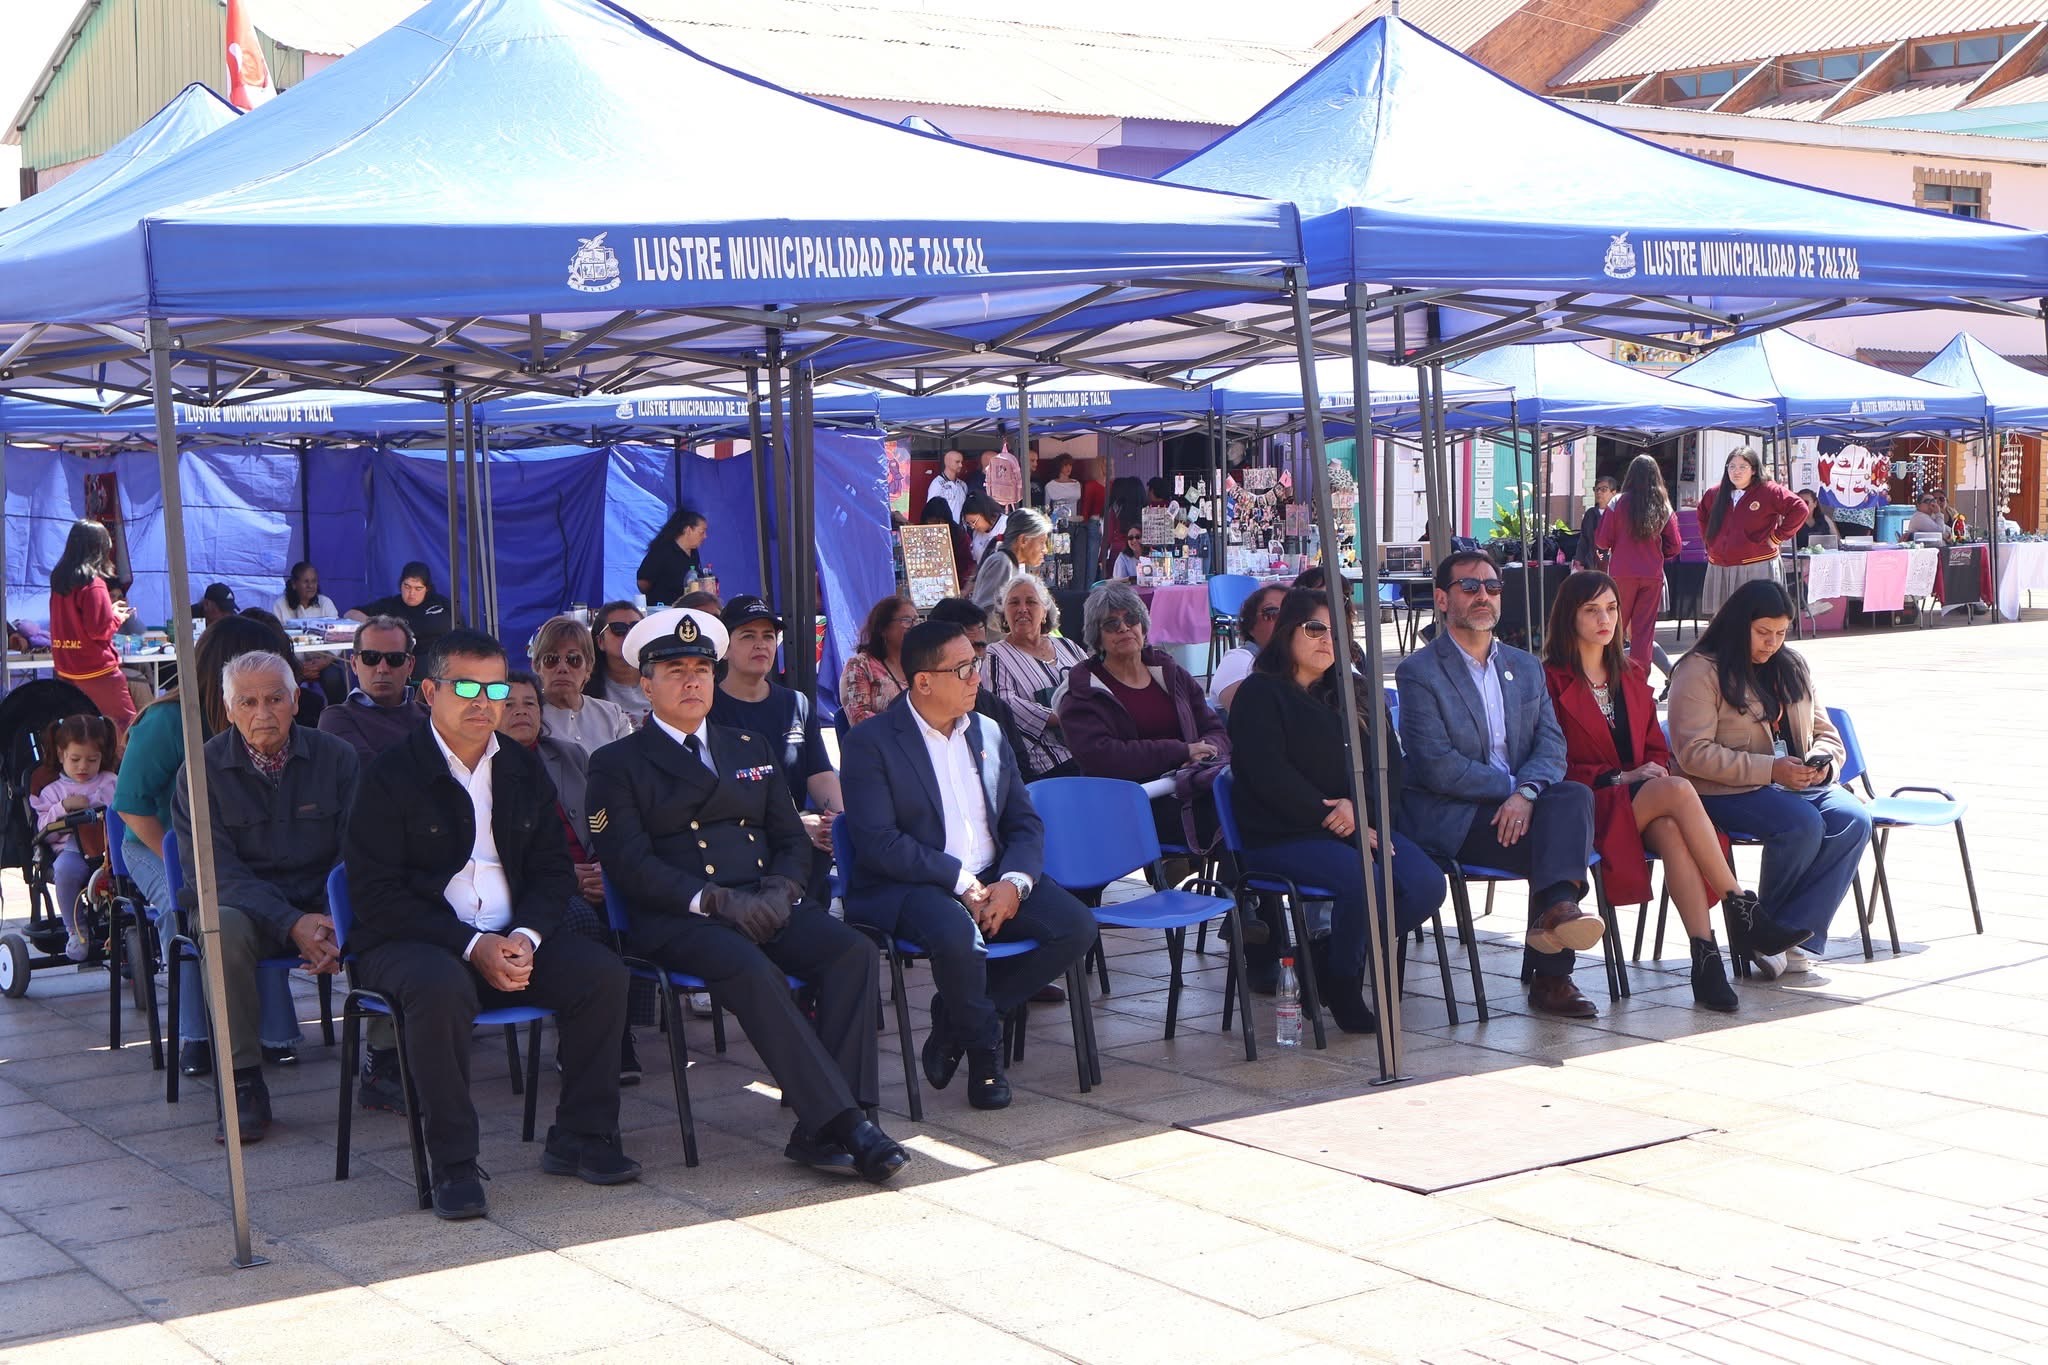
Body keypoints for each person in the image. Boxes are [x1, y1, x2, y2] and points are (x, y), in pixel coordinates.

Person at [587, 608, 908, 1182]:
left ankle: (822, 1128)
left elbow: (789, 838)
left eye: (700, 670)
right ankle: (848, 1124)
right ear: (646, 684)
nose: (692, 682)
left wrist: (783, 890)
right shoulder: (617, 763)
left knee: (853, 953)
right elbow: (630, 866)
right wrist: (716, 901)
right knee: (751, 967)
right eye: (675, 671)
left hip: (764, 900)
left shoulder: (748, 745)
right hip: (682, 916)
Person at [342, 628, 639, 1220]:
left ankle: (581, 1135)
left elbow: (553, 872)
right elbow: (376, 896)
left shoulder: (521, 769)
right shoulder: (388, 774)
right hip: (415, 941)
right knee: (439, 988)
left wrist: (525, 938)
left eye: (496, 688)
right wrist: (472, 944)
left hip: (511, 934)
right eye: (466, 687)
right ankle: (453, 1162)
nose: (484, 701)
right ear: (430, 692)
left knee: (603, 975)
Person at [841, 620, 1095, 1112]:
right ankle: (984, 1057)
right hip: (914, 883)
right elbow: (879, 843)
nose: (977, 676)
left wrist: (1014, 883)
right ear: (923, 681)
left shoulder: (988, 730)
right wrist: (961, 882)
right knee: (959, 937)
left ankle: (957, 1019)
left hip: (994, 873)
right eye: (963, 669)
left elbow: (1024, 822)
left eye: (975, 664)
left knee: (1076, 927)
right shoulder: (871, 742)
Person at [1542, 573, 1809, 1011]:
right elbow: (1551, 761)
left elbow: (1655, 747)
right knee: (1679, 791)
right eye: (1591, 610)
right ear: (1568, 617)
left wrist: (1644, 773)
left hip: (1644, 802)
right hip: (1587, 805)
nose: (1605, 619)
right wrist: (1621, 777)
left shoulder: (1631, 674)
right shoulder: (1549, 681)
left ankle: (1706, 959)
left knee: (1671, 829)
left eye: (1611, 608)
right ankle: (1743, 910)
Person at [1227, 589, 1447, 1033]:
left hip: (1358, 824)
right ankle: (1345, 984)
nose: (1328, 639)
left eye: (1338, 631)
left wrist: (1360, 811)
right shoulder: (1259, 694)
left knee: (1424, 884)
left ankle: (1323, 962)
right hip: (1284, 832)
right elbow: (1269, 774)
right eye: (1315, 629)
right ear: (1287, 631)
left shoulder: (1357, 692)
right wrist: (1338, 819)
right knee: (1363, 878)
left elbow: (1390, 768)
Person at [1395, 551, 1603, 1019]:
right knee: (1560, 845)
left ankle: (1558, 913)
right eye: (1470, 587)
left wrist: (1526, 794)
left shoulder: (1525, 666)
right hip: (1456, 815)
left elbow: (1552, 745)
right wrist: (1513, 789)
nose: (1483, 596)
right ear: (1442, 599)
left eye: (1492, 587)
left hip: (1521, 807)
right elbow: (1436, 766)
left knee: (1573, 795)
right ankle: (1553, 975)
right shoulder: (1419, 672)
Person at [172, 651, 357, 1141]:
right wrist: (293, 922)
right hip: (248, 910)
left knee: (382, 905)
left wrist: (328, 917)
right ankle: (242, 1081)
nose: (263, 713)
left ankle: (385, 1059)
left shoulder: (338, 757)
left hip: (321, 905)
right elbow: (215, 873)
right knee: (222, 927)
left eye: (275, 699)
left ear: (296, 701)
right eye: (248, 702)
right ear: (228, 710)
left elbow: (357, 849)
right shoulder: (201, 770)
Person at [114, 616, 307, 1074]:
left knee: (261, 902)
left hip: (232, 847)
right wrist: (185, 867)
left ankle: (274, 1033)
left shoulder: (269, 717)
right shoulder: (168, 721)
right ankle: (196, 1037)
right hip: (157, 844)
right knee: (183, 910)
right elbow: (131, 806)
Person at [1667, 580, 1873, 980]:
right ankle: (1766, 931)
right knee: (1801, 823)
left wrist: (1823, 763)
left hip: (1797, 783)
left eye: (1780, 633)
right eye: (1763, 633)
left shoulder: (1792, 665)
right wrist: (1770, 769)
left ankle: (1788, 935)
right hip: (1725, 790)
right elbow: (1693, 752)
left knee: (1854, 819)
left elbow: (1826, 732)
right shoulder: (1699, 670)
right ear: (1738, 624)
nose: (1772, 644)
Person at [500, 671, 645, 1084]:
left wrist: (604, 869)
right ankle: (594, 1041)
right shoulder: (487, 768)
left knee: (636, 902)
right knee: (581, 920)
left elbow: (603, 823)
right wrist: (569, 878)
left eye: (529, 703)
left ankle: (617, 1027)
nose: (521, 712)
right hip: (536, 887)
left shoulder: (569, 755)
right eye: (509, 704)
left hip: (593, 873)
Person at [1057, 581, 1230, 860]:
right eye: (1111, 624)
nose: (1124, 628)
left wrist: (1206, 753)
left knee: (1248, 802)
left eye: (1132, 619)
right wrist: (1181, 751)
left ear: (1144, 626)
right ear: (1097, 637)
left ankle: (1247, 884)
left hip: (1193, 784)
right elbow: (1102, 757)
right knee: (1236, 816)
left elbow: (1214, 728)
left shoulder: (1171, 673)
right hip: (1129, 803)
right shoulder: (1082, 692)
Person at [710, 596, 841, 897]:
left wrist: (839, 820)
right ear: (725, 649)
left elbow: (820, 773)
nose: (761, 645)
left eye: (768, 636)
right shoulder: (708, 709)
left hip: (801, 838)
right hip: (740, 837)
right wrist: (793, 824)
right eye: (748, 636)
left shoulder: (796, 703)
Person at [29, 714, 120, 962]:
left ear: (102, 757)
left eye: (92, 760)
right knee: (65, 872)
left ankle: (130, 921)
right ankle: (76, 930)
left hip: (110, 848)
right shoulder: (53, 791)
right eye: (75, 759)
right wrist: (63, 807)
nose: (83, 767)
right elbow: (43, 831)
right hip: (72, 850)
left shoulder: (111, 782)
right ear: (61, 755)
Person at [981, 577, 1088, 782]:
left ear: (1045, 612)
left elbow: (1096, 684)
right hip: (1050, 761)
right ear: (1004, 615)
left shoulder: (1068, 646)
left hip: (1090, 745)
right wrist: (1063, 717)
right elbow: (1004, 704)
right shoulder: (994, 655)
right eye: (1014, 603)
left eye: (1031, 602)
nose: (1022, 609)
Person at [46, 519, 139, 732]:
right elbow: (99, 630)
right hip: (97, 671)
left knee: (80, 731)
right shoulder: (94, 584)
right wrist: (117, 617)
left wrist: (109, 612)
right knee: (125, 726)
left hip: (66, 668)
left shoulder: (59, 582)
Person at [1595, 454, 1684, 675]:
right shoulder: (1663, 506)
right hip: (1652, 574)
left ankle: (1610, 673)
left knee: (1615, 627)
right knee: (1644, 633)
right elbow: (1675, 546)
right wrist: (1656, 554)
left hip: (1622, 573)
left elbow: (1602, 541)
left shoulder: (1617, 502)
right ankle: (1639, 679)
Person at [1698, 449, 1807, 617]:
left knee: (1756, 616)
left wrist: (1777, 537)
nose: (1736, 471)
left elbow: (1800, 509)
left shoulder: (1769, 491)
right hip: (1720, 566)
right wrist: (1710, 543)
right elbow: (1702, 516)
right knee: (1724, 618)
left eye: (1742, 467)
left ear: (1754, 469)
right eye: (1732, 466)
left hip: (1756, 564)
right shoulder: (1714, 493)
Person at [318, 617, 426, 766]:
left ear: (410, 666)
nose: (382, 669)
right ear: (354, 664)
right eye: (371, 658)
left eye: (395, 658)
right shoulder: (336, 718)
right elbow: (369, 774)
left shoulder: (430, 715)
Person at [532, 615, 635, 754]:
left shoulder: (612, 715)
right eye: (551, 659)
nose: (562, 668)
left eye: (573, 659)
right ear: (537, 666)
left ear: (588, 667)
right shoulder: (530, 717)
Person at [1209, 583, 1290, 711]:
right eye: (1272, 613)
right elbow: (1254, 714)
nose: (1283, 620)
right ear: (1251, 625)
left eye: (1290, 613)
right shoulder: (1239, 660)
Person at [838, 594, 915, 728]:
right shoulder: (859, 665)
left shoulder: (920, 663)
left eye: (916, 620)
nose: (913, 626)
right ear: (883, 628)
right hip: (881, 739)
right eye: (906, 620)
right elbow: (859, 718)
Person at [347, 561, 454, 645]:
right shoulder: (390, 605)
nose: (411, 593)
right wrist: (375, 624)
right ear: (400, 584)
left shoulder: (440, 603)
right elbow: (351, 613)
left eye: (418, 588)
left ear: (427, 589)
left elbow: (458, 627)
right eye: (407, 586)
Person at [970, 508, 1052, 614]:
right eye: (1042, 542)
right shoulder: (1002, 563)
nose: (1045, 550)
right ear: (1023, 540)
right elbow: (988, 611)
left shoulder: (1007, 562)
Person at [587, 602, 651, 721]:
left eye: (636, 628)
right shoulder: (585, 688)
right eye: (618, 629)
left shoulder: (662, 680)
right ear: (600, 641)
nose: (629, 634)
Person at [635, 507, 711, 605]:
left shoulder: (693, 552)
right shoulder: (662, 551)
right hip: (664, 608)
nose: (705, 536)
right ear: (688, 530)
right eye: (702, 532)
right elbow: (643, 582)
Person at [919, 495, 975, 587]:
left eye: (941, 522)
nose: (938, 526)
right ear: (925, 520)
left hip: (954, 584)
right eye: (933, 521)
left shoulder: (959, 535)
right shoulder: (918, 534)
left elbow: (967, 564)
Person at [1575, 476, 1619, 570]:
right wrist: (1579, 559)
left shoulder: (1618, 514)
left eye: (1603, 489)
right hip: (1592, 565)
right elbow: (1584, 539)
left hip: (1612, 565)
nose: (1598, 492)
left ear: (1613, 492)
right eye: (1596, 489)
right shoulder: (1590, 514)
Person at [273, 562, 339, 620]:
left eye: (314, 581)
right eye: (306, 581)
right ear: (294, 584)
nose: (310, 586)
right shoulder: (280, 605)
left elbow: (336, 628)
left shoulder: (325, 603)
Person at [960, 495, 1005, 570]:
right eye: (969, 524)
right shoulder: (976, 532)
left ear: (984, 513)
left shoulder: (1005, 526)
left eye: (974, 522)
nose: (972, 527)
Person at [928, 448, 971, 522]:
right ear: (947, 462)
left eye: (961, 462)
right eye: (957, 462)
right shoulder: (937, 484)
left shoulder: (963, 485)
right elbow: (931, 509)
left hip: (961, 527)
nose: (960, 465)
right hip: (946, 526)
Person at [1043, 455, 1083, 521]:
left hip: (1074, 521)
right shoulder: (1050, 485)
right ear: (1059, 466)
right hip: (1057, 521)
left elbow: (1080, 504)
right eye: (1065, 465)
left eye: (1070, 465)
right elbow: (1046, 507)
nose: (1068, 468)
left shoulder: (1077, 484)